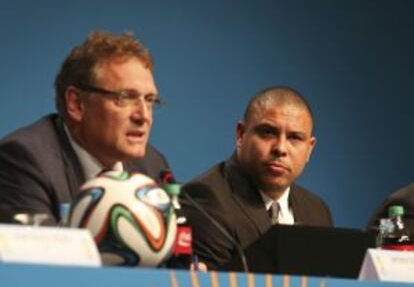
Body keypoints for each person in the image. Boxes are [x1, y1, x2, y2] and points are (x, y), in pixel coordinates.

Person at [0, 30, 169, 224]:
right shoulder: (25, 160)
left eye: (149, 100)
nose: (144, 116)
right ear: (77, 104)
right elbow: (40, 252)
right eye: (125, 97)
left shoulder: (152, 166)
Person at [182, 86, 333, 270]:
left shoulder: (317, 211)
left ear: (309, 149)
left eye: (294, 138)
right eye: (268, 132)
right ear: (240, 134)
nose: (281, 148)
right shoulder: (206, 201)